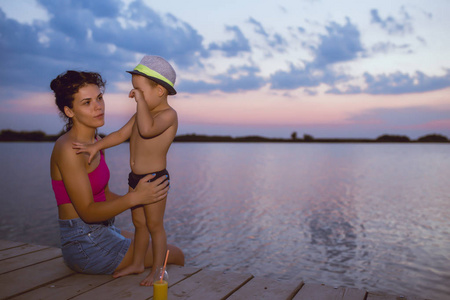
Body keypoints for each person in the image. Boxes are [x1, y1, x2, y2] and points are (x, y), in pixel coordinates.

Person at [50, 70, 184, 280]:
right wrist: (136, 197)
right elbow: (87, 212)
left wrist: (144, 199)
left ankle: (140, 265)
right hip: (84, 243)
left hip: (104, 230)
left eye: (100, 98)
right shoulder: (68, 149)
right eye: (87, 102)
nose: (98, 107)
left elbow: (104, 194)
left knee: (151, 232)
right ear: (69, 111)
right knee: (175, 254)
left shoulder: (96, 142)